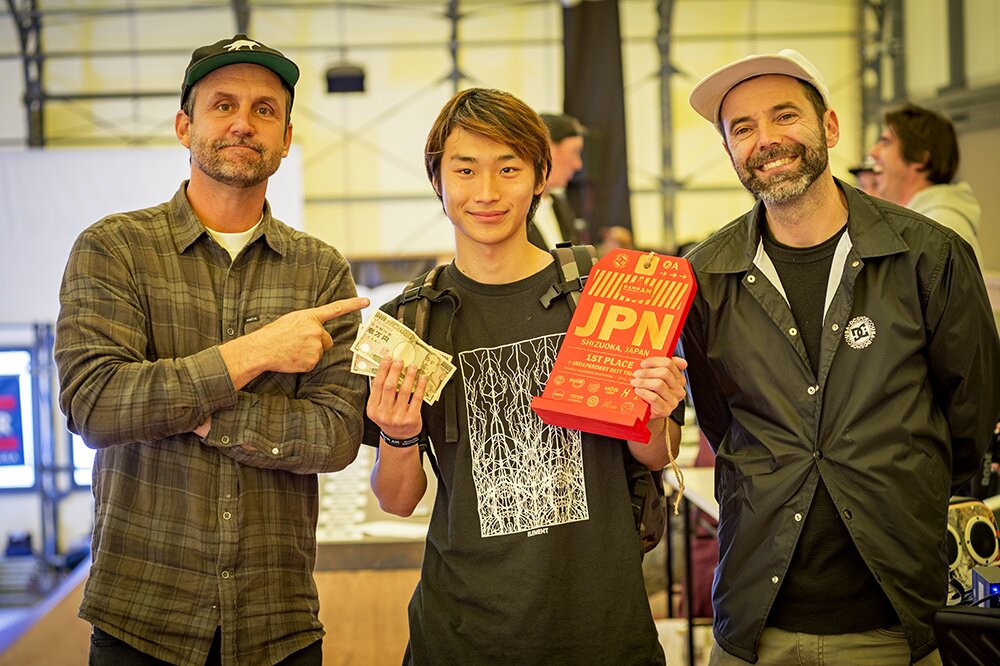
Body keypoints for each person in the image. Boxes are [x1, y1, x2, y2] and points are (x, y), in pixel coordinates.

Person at [54, 34, 369, 665]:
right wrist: (256, 352)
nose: (243, 124)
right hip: (140, 620)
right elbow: (95, 405)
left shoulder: (320, 270)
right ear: (185, 126)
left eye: (264, 110)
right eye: (223, 105)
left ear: (285, 137)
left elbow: (336, 438)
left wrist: (192, 412)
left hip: (278, 624)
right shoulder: (114, 249)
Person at [684, 49, 1000, 665]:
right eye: (742, 128)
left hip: (895, 624)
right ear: (728, 150)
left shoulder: (929, 257)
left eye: (784, 116)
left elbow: (968, 423)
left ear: (829, 126)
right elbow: (721, 425)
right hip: (754, 625)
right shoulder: (706, 276)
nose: (765, 140)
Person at [363, 87, 687, 664]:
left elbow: (657, 454)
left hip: (603, 629)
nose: (487, 192)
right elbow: (398, 499)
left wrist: (656, 411)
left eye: (508, 169)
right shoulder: (413, 322)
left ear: (540, 177)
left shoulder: (606, 294)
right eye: (465, 170)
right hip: (461, 636)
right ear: (437, 180)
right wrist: (397, 433)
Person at [868, 101, 984, 269]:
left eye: (886, 142)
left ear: (919, 158)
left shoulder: (940, 228)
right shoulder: (919, 225)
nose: (872, 152)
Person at [527, 112, 587, 248]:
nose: (578, 164)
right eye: (574, 151)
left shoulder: (560, 206)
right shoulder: (515, 213)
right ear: (547, 148)